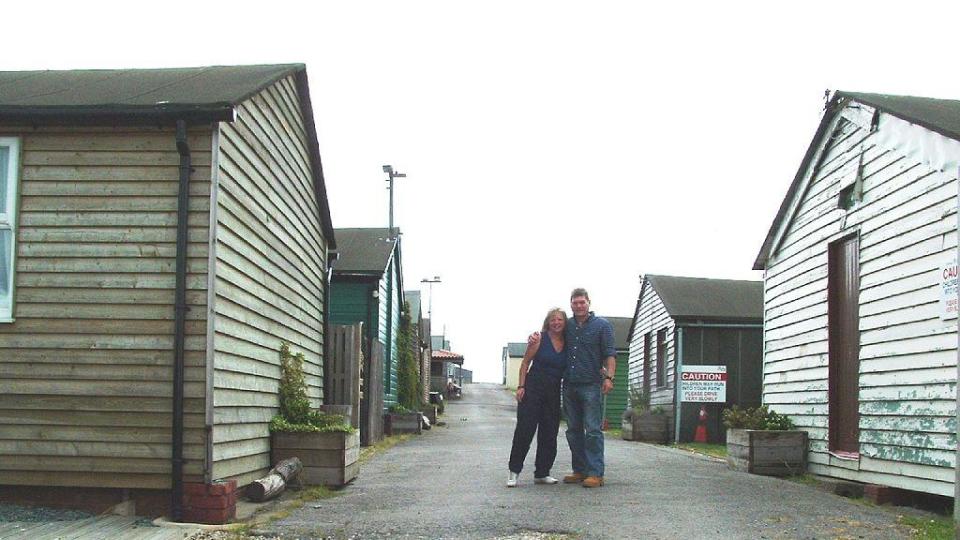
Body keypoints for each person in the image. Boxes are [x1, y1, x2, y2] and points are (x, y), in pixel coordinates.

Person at [530, 288, 615, 488]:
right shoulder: (566, 325)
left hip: (591, 384)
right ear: (571, 304)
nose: (578, 306)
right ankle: (580, 470)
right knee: (573, 430)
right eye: (575, 303)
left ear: (588, 303)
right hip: (568, 384)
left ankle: (596, 473)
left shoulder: (602, 326)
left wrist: (609, 377)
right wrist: (534, 338)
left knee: (593, 429)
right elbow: (549, 333)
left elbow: (610, 353)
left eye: (582, 302)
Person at [507, 308, 567, 488]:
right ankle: (513, 472)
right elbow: (525, 363)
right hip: (533, 388)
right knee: (525, 430)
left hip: (554, 391)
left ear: (565, 323)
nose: (556, 323)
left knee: (549, 433)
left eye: (560, 320)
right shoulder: (539, 339)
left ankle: (542, 472)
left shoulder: (568, 342)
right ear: (548, 322)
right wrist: (521, 386)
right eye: (553, 320)